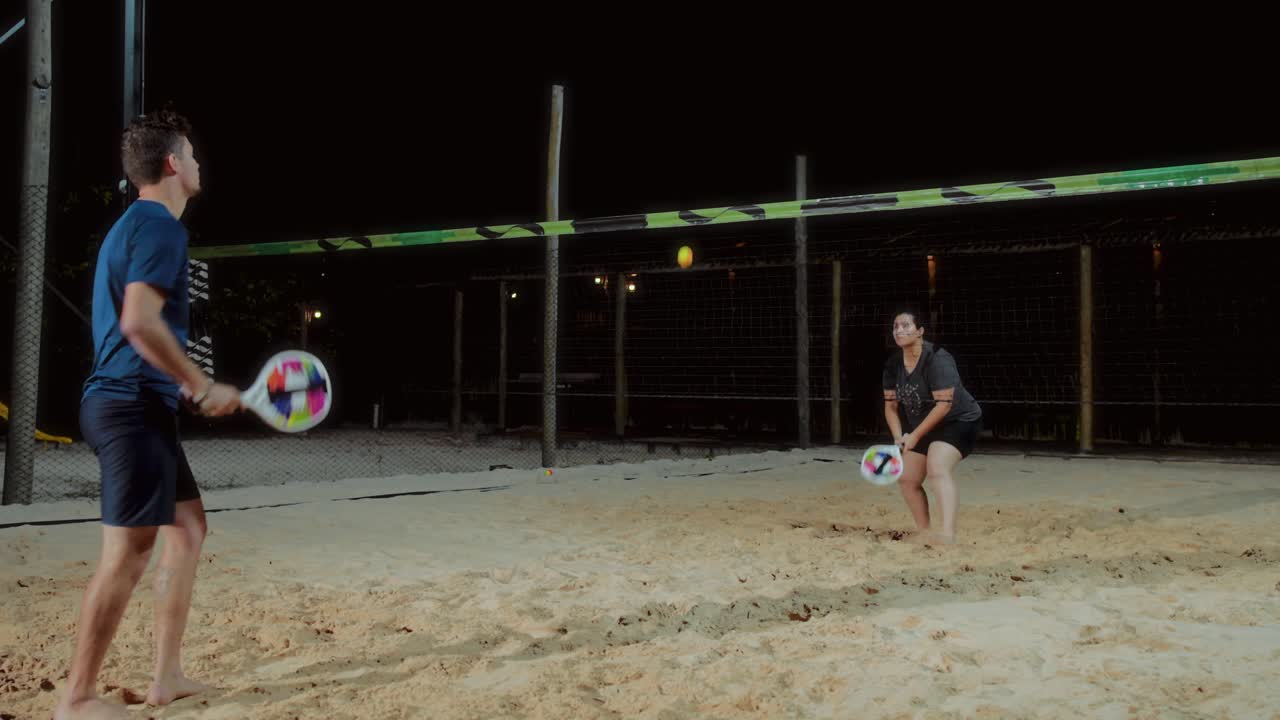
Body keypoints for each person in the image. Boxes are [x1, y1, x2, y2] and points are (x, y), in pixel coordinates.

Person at [56, 111, 240, 720]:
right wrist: (200, 382)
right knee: (128, 555)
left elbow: (134, 328)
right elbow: (138, 321)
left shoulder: (132, 224)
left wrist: (181, 387)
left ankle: (167, 677)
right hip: (128, 406)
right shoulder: (161, 226)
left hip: (138, 403)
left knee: (187, 529)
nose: (196, 163)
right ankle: (77, 697)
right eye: (190, 154)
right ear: (171, 165)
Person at [881, 309, 982, 544]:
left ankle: (947, 535)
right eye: (895, 326)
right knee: (906, 478)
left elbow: (944, 405)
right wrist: (899, 438)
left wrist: (914, 436)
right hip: (925, 425)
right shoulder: (893, 364)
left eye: (906, 326)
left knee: (937, 466)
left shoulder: (938, 358)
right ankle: (925, 532)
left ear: (920, 331)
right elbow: (891, 407)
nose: (899, 330)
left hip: (959, 420)